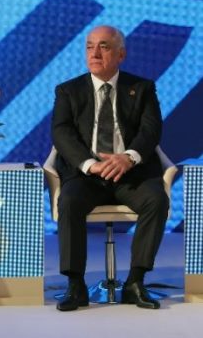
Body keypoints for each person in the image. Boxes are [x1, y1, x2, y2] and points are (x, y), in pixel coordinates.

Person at [52, 25, 169, 311]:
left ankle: (135, 282)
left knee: (156, 199)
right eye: (89, 46)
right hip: (88, 176)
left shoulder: (142, 88)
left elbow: (151, 130)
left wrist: (128, 157)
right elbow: (61, 133)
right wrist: (90, 165)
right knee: (69, 201)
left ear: (121, 55)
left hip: (131, 175)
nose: (94, 53)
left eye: (103, 46)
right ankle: (75, 285)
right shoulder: (68, 90)